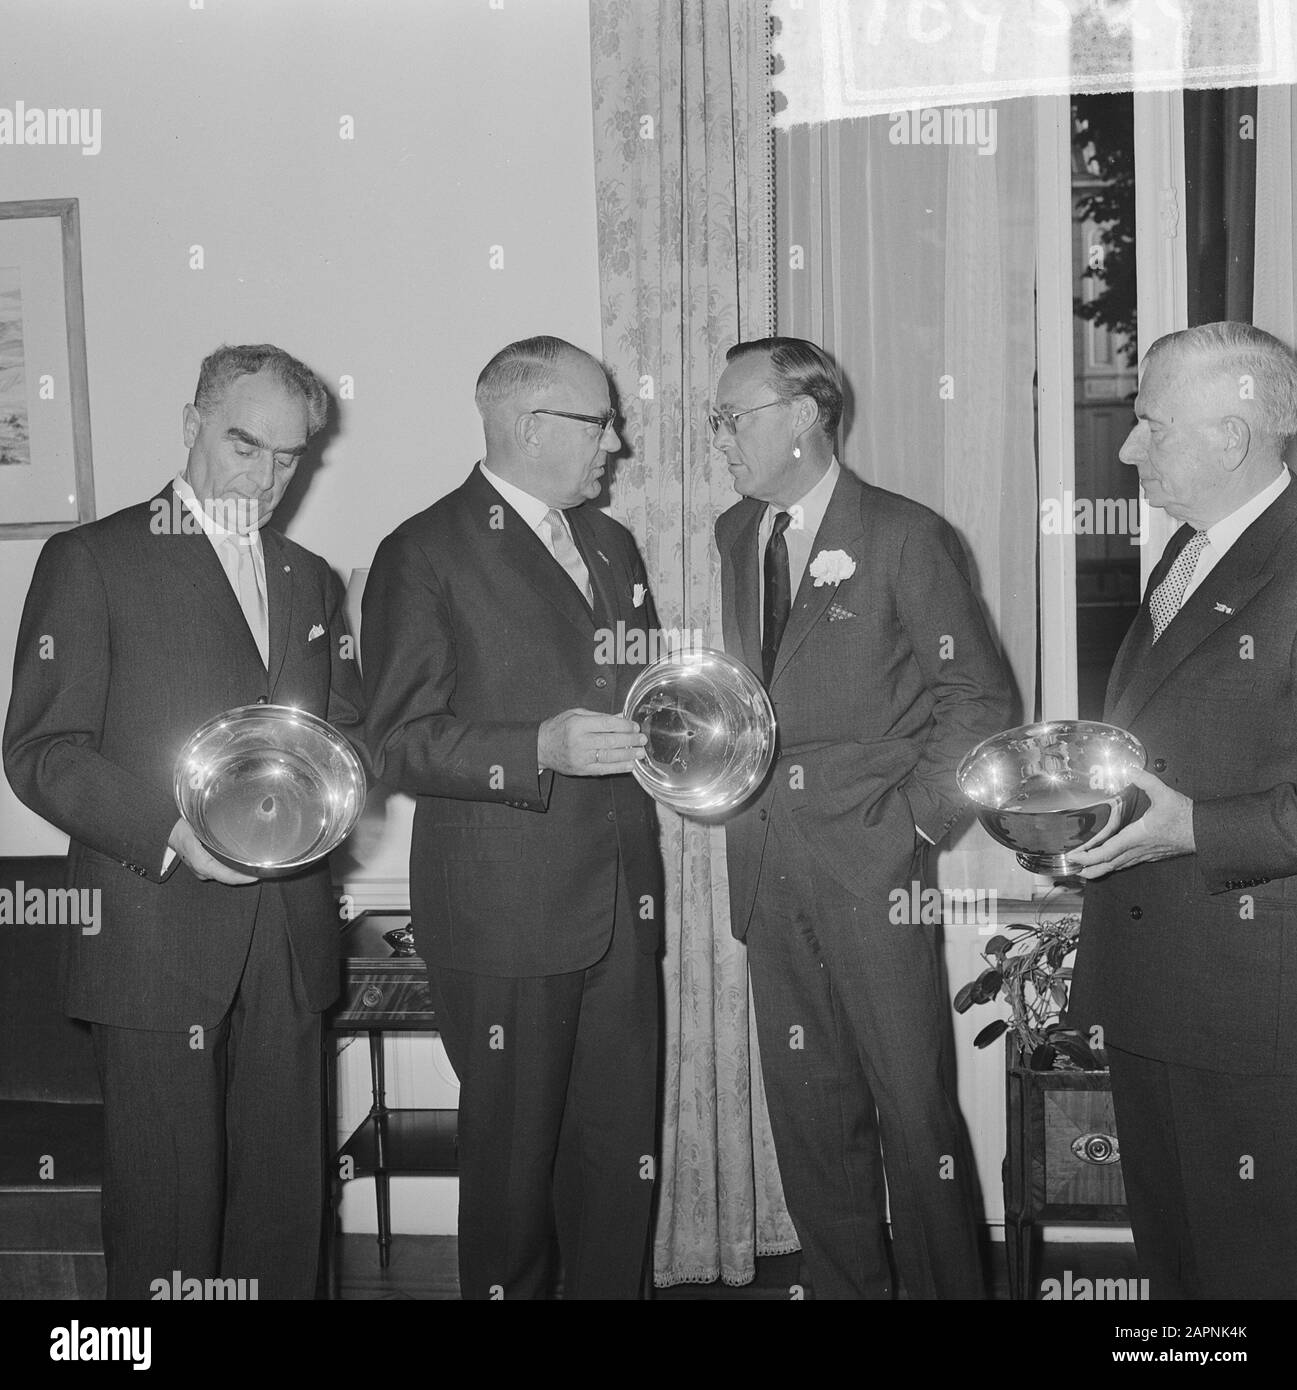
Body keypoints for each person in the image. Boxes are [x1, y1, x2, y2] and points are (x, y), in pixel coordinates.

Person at [3, 343, 364, 1299]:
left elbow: (342, 734)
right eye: (246, 445)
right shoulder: (93, 559)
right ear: (192, 422)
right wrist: (174, 834)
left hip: (286, 941)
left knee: (286, 1215)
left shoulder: (310, 577)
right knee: (166, 1220)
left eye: (290, 458)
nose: (266, 476)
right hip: (151, 942)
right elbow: (41, 751)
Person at [361, 335, 663, 1300]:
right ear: (532, 427)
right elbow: (399, 741)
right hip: (504, 914)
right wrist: (533, 747)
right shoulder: (421, 552)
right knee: (512, 1164)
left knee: (620, 1154)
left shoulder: (612, 544)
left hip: (621, 897)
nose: (614, 443)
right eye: (599, 421)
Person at [711, 336, 1012, 1299]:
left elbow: (980, 701)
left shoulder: (903, 535)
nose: (719, 436)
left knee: (911, 1113)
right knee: (808, 1112)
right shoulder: (734, 534)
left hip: (874, 868)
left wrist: (915, 828)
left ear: (803, 415)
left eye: (733, 416)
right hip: (763, 865)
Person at [1070, 321, 1297, 1300]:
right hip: (1158, 983)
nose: (1126, 447)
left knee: (1250, 1266)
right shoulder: (1188, 553)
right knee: (1174, 1264)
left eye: (1149, 424)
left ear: (1233, 439)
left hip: (1255, 1005)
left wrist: (1191, 830)